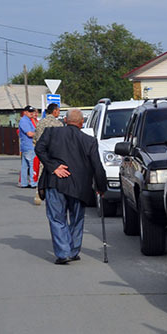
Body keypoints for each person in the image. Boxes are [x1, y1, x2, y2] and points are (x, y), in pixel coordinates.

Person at [35, 109, 108, 264]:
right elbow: (98, 166)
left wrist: (53, 167)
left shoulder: (51, 133)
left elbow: (39, 149)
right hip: (79, 187)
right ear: (82, 123)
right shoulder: (89, 141)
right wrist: (101, 187)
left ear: (65, 121)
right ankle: (73, 251)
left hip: (55, 183)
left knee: (57, 218)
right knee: (77, 218)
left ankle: (63, 253)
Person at [32, 103, 65, 206]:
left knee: (41, 173)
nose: (59, 113)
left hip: (43, 153)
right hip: (55, 154)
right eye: (58, 111)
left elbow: (36, 139)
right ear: (54, 111)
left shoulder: (40, 123)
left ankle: (39, 193)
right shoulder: (59, 124)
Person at [18, 106, 37, 188]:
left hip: (26, 146)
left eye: (32, 111)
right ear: (25, 112)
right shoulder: (24, 121)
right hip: (29, 145)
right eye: (30, 111)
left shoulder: (28, 120)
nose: (31, 113)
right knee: (32, 164)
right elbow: (29, 133)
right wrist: (40, 134)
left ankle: (24, 183)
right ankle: (33, 183)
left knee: (25, 166)